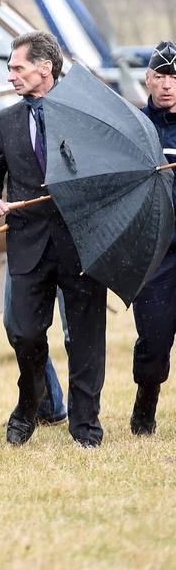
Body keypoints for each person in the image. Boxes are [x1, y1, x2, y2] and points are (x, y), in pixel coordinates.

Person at [0, 31, 110, 447]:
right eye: (11, 68)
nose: (10, 75)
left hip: (81, 243)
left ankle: (85, 425)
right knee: (25, 334)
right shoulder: (6, 120)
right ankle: (29, 404)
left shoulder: (84, 112)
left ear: (44, 68)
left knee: (86, 337)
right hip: (28, 246)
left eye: (17, 67)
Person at [132, 41, 176, 435]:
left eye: (174, 78)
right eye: (160, 77)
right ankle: (145, 408)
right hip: (156, 250)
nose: (167, 85)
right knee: (154, 337)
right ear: (147, 79)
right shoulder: (135, 126)